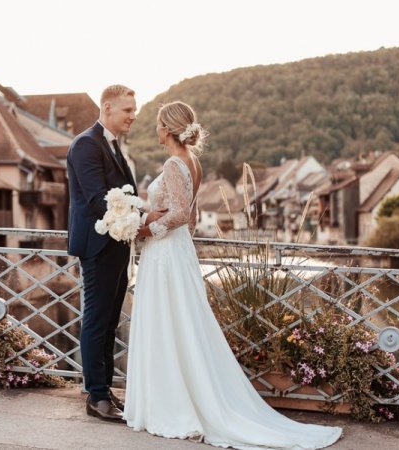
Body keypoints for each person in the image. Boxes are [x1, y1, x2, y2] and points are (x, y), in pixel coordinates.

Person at [125, 101, 343, 449]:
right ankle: (176, 397)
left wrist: (144, 228)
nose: (155, 130)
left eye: (157, 124)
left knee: (166, 324)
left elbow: (180, 214)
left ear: (167, 128)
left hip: (166, 253)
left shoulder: (172, 163)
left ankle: (170, 406)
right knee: (181, 324)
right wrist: (158, 224)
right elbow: (191, 219)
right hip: (179, 251)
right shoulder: (193, 163)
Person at [67, 84, 164, 422]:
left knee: (109, 321)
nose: (133, 116)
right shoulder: (85, 146)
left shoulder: (112, 146)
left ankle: (105, 391)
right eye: (127, 110)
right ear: (107, 107)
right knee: (96, 320)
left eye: (134, 110)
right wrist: (142, 219)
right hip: (97, 247)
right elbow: (97, 200)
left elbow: (121, 193)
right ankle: (95, 396)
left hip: (117, 246)